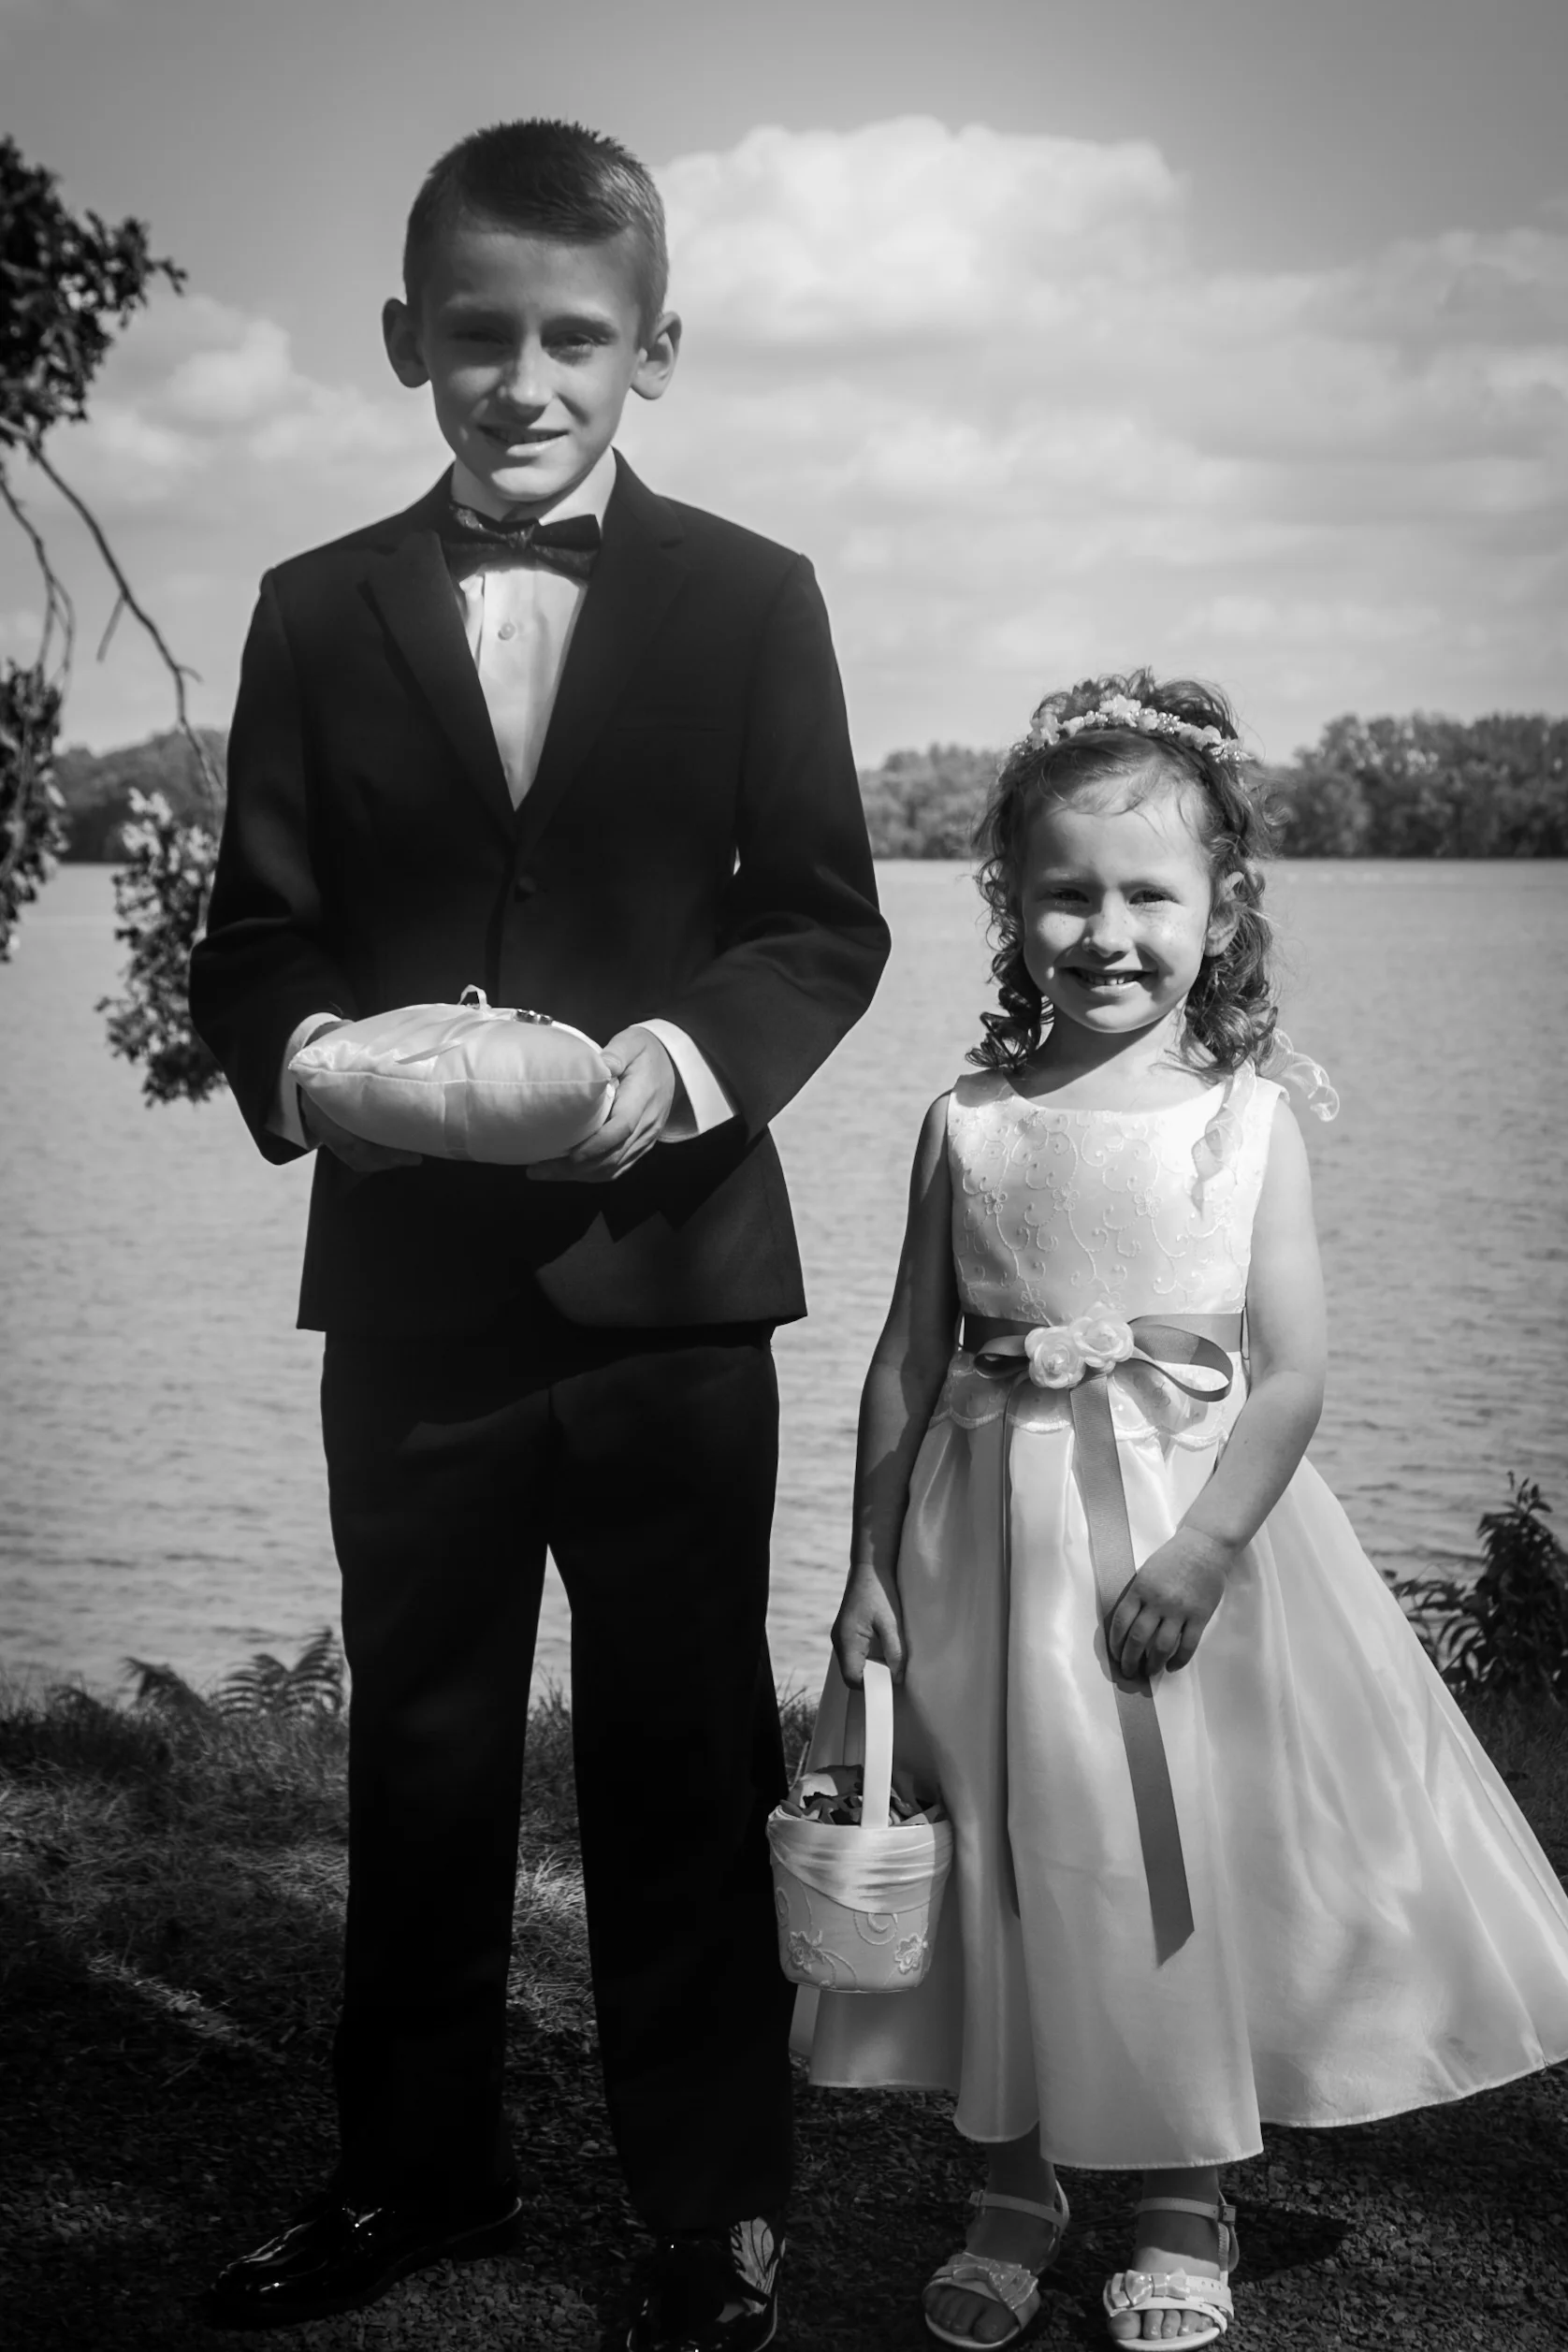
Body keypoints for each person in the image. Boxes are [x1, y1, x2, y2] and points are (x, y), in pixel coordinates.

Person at [188, 118, 888, 2351]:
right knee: (422, 1747)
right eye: (478, 334)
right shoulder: (310, 611)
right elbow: (255, 943)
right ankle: (414, 2172)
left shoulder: (755, 597)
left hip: (673, 1291)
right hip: (411, 1300)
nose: (523, 379)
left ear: (651, 349)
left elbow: (820, 921)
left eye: (573, 337)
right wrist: (323, 1069)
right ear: (407, 337)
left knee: (682, 1749)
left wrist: (670, 1071)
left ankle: (711, 2203)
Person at [815, 670, 1568, 2348]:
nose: (1107, 933)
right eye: (1066, 893)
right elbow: (906, 1357)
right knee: (1006, 1848)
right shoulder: (968, 1122)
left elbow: (1289, 1373)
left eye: (1149, 895)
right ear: (1008, 906)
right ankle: (1012, 2186)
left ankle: (1182, 2193)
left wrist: (1210, 1546)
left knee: (1174, 1854)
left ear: (1221, 909)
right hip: (985, 1549)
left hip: (1184, 1546)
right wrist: (866, 1567)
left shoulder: (1250, 1119)